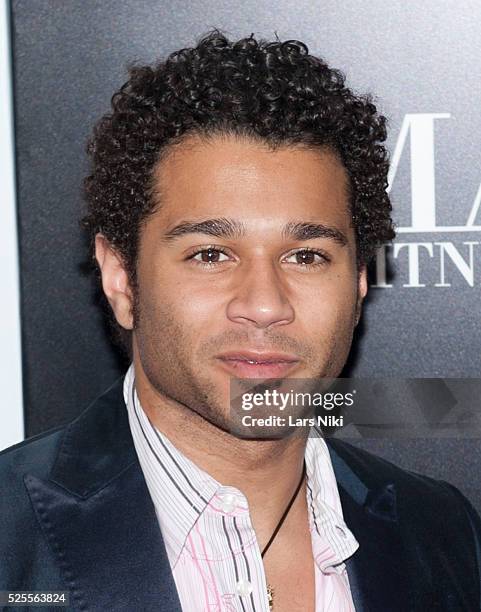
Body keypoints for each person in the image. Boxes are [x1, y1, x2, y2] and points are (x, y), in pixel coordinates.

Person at [1, 30, 480, 612]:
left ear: (358, 284)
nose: (264, 304)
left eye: (306, 256)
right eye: (211, 254)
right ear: (121, 279)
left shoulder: (445, 531)